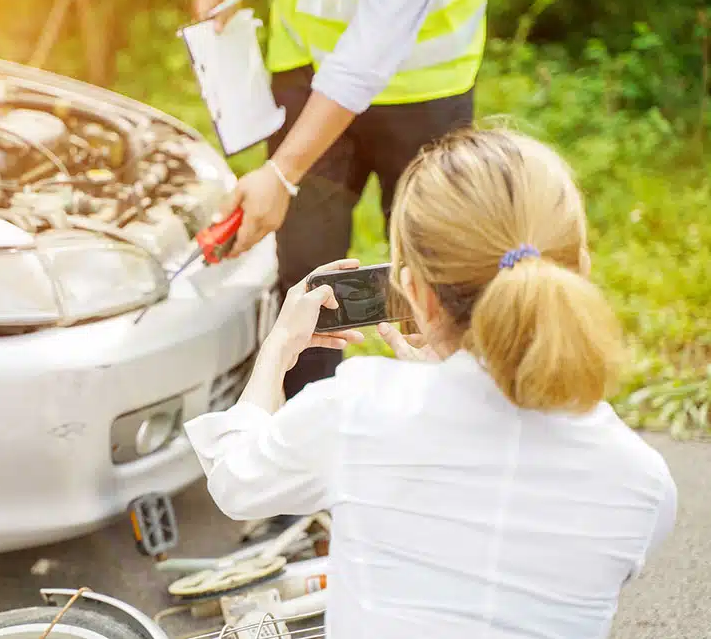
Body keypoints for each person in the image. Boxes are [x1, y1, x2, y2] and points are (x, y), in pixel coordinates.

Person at [183, 129, 678, 639]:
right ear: (580, 270)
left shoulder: (356, 409)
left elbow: (236, 482)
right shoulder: (644, 484)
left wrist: (279, 350)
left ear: (414, 290)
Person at [193, 0, 490, 400]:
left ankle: (442, 418)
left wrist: (281, 174)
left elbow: (366, 54)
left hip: (425, 88)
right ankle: (303, 420)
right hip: (306, 67)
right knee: (306, 273)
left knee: (436, 277)